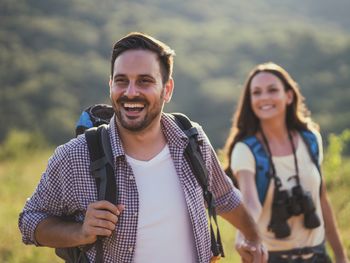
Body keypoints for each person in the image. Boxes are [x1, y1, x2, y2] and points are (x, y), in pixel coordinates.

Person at [19, 32, 267, 263]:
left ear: (167, 89)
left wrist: (254, 237)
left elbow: (225, 197)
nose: (130, 92)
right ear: (111, 85)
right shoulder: (76, 156)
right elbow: (29, 221)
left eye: (144, 81)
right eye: (121, 81)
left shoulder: (192, 140)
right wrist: (80, 231)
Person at [223, 62, 349, 263]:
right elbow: (250, 202)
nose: (264, 97)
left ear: (289, 96)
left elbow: (322, 200)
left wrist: (341, 256)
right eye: (256, 92)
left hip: (318, 256)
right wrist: (242, 236)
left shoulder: (310, 139)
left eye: (272, 90)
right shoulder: (246, 150)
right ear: (250, 101)